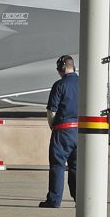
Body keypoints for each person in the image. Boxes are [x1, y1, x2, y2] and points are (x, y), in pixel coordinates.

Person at [40, 55, 79, 208]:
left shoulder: (59, 85)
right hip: (80, 131)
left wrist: (52, 127)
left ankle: (54, 200)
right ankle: (79, 199)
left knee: (57, 166)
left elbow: (52, 111)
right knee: (76, 167)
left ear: (62, 69)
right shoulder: (85, 83)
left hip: (63, 132)